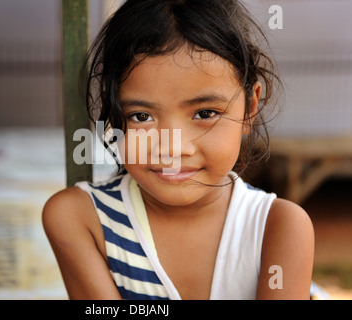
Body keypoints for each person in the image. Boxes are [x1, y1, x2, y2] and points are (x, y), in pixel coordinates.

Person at [42, 0, 314, 300]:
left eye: (205, 113)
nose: (172, 148)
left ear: (250, 108)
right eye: (141, 116)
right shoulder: (81, 219)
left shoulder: (277, 228)